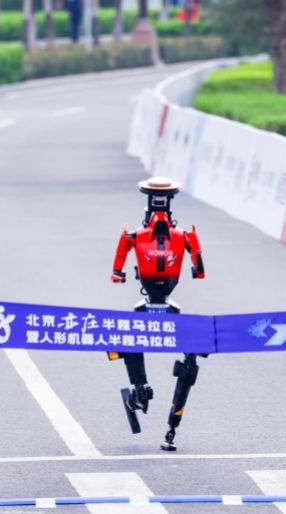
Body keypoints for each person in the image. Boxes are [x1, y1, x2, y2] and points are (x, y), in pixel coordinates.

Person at [110, 177, 206, 451]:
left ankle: (139, 391)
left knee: (128, 341)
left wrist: (118, 273)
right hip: (171, 309)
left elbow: (118, 265)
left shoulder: (134, 235)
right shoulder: (184, 236)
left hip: (147, 306)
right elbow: (199, 267)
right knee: (190, 358)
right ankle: (169, 427)